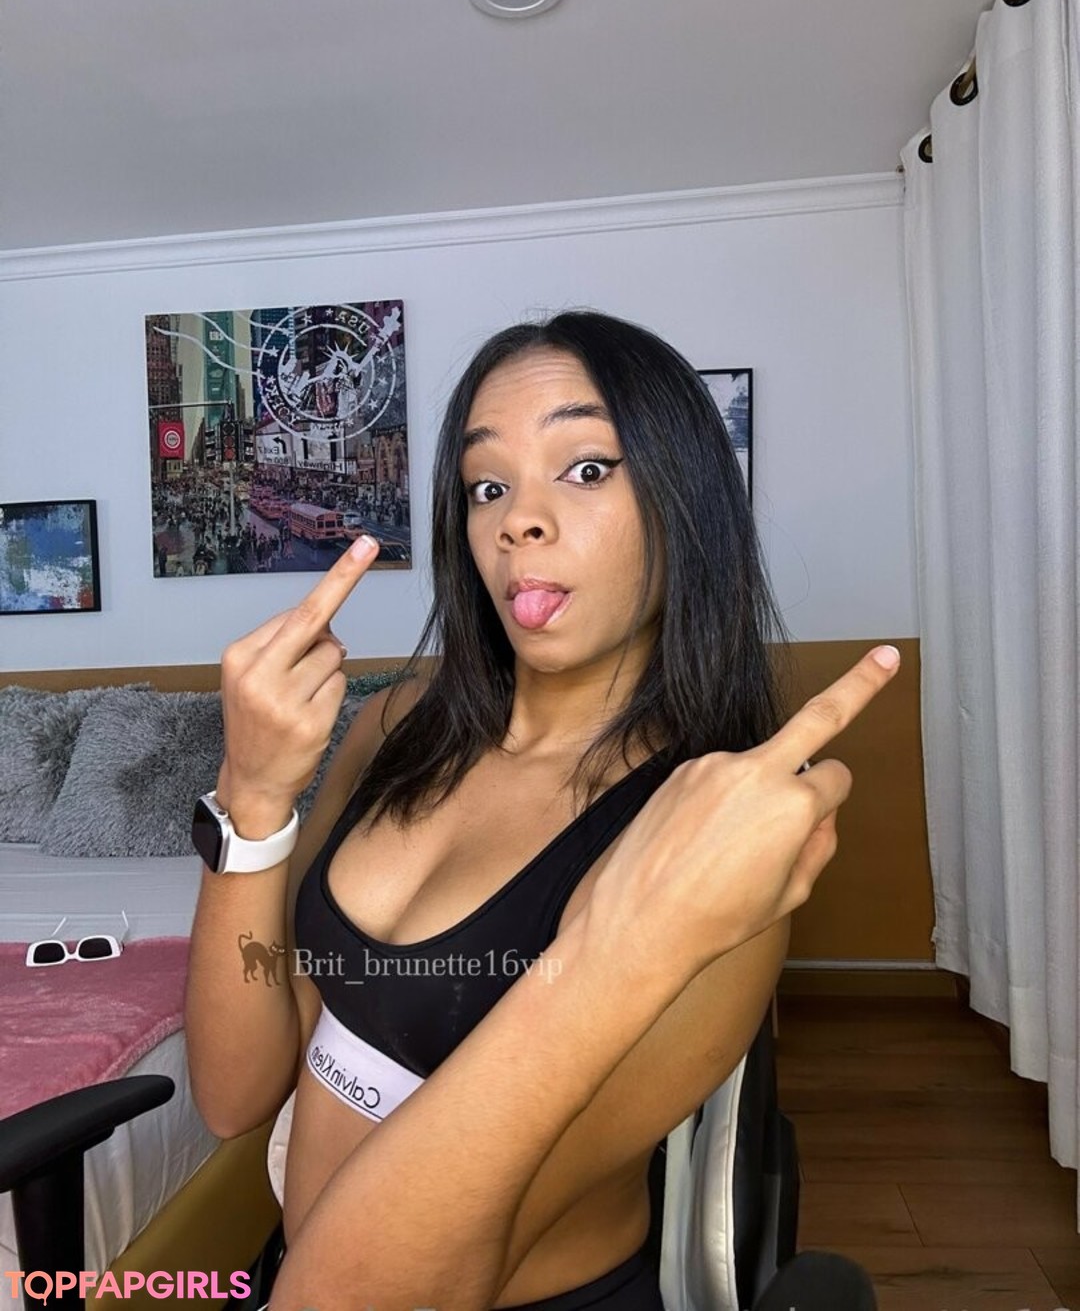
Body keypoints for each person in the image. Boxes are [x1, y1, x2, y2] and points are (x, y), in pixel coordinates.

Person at [184, 311, 899, 1311]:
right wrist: (251, 799)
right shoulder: (397, 729)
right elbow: (235, 1095)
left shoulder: (703, 844)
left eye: (587, 469)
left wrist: (625, 942)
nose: (517, 519)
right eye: (488, 485)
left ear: (685, 501)